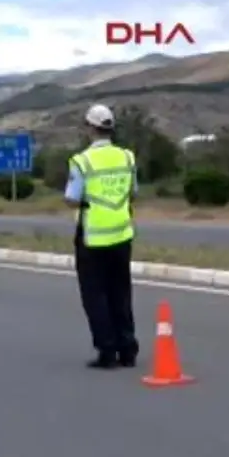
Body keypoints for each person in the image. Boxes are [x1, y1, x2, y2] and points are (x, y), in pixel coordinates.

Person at [63, 104, 140, 370]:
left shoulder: (82, 162)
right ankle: (128, 349)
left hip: (92, 239)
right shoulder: (127, 157)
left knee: (95, 296)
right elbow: (134, 192)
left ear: (89, 128)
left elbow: (72, 199)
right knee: (121, 292)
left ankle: (107, 351)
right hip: (122, 234)